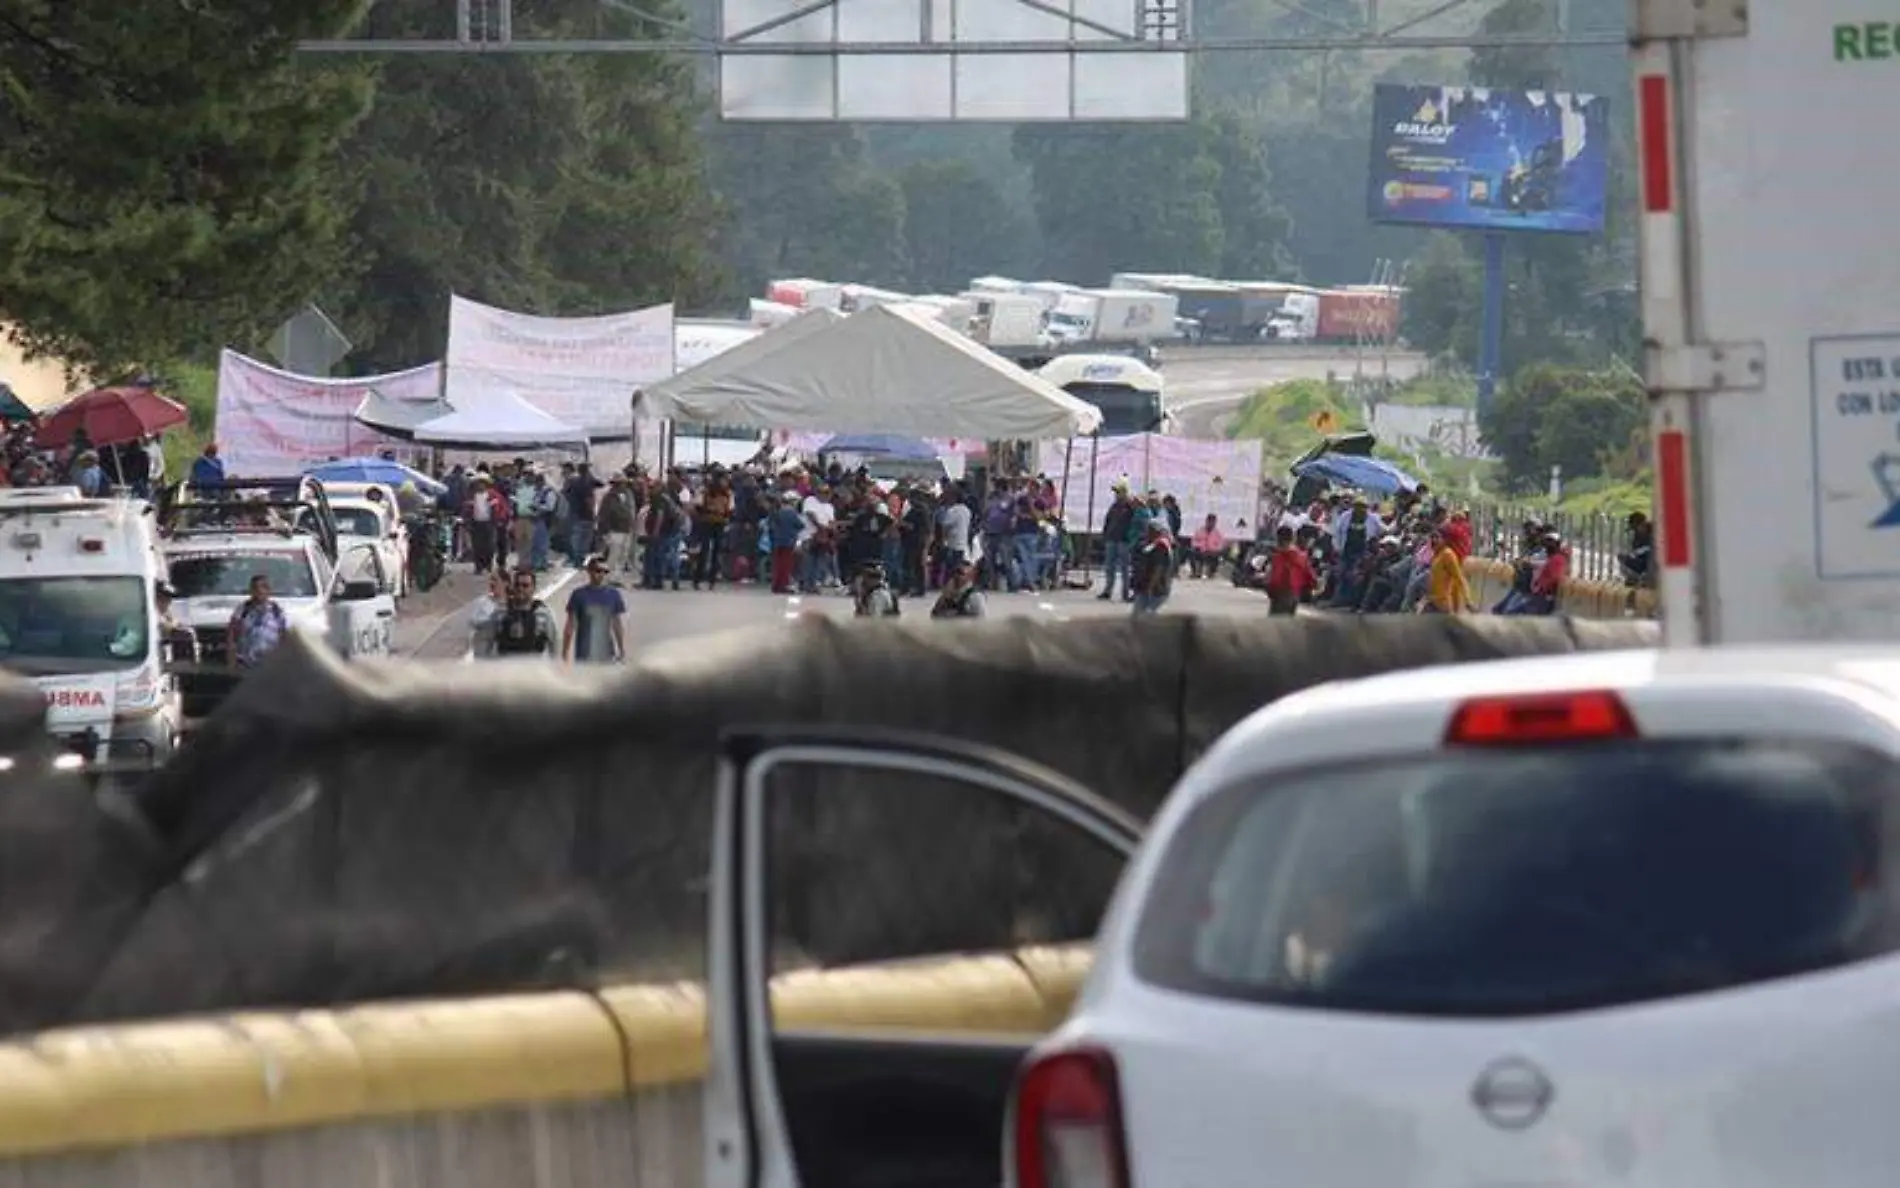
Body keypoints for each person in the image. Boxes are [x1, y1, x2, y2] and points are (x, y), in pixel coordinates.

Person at [563, 555, 628, 663]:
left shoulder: (614, 594)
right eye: (598, 571)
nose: (601, 575)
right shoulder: (578, 595)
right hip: (584, 653)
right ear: (589, 571)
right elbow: (570, 625)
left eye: (605, 572)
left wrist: (621, 649)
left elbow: (617, 624)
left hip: (607, 653)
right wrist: (565, 652)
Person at [488, 568, 558, 658]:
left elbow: (554, 645)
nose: (520, 589)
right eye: (517, 585)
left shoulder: (544, 614)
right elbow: (487, 642)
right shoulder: (500, 612)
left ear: (533, 588)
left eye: (525, 586)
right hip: (505, 667)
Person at [227, 573, 289, 669]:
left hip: (270, 664)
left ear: (269, 590)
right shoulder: (243, 609)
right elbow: (232, 634)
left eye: (264, 587)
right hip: (246, 663)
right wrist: (231, 660)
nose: (259, 591)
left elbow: (283, 635)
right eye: (255, 588)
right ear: (251, 590)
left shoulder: (276, 610)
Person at [1263, 525, 1318, 616]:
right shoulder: (1302, 556)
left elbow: (1275, 579)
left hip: (1280, 594)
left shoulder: (1279, 557)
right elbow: (1311, 576)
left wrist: (1269, 589)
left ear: (1278, 539)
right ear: (1292, 538)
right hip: (1294, 595)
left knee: (1276, 623)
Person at [1420, 528, 1472, 614]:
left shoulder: (1448, 555)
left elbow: (1459, 579)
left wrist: (1467, 600)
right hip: (1432, 602)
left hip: (1442, 605)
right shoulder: (1436, 555)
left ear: (1445, 540)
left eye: (1437, 537)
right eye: (1432, 537)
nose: (1434, 540)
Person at [1129, 519, 1174, 616]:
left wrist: (1151, 586)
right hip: (1143, 586)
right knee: (1138, 615)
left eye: (1149, 529)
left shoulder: (1161, 546)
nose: (1146, 531)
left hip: (1156, 588)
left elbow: (1159, 569)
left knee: (1146, 614)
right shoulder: (1148, 543)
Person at [468, 570, 508, 657]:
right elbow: (473, 622)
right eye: (490, 580)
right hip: (483, 651)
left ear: (505, 583)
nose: (492, 583)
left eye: (495, 580)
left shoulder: (512, 604)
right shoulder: (482, 602)